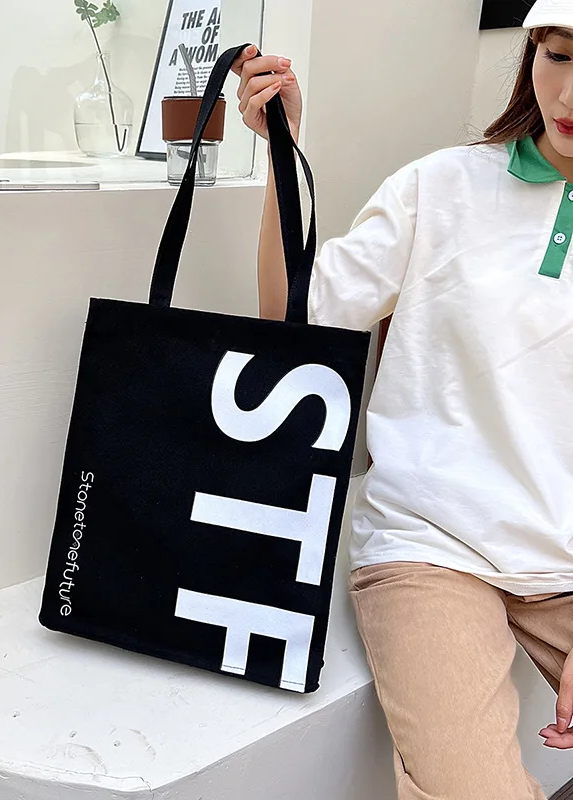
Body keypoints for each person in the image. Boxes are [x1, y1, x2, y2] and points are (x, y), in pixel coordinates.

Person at [233, 1, 573, 798]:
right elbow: (298, 319)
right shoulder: (442, 186)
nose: (568, 95)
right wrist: (282, 152)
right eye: (559, 56)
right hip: (433, 544)